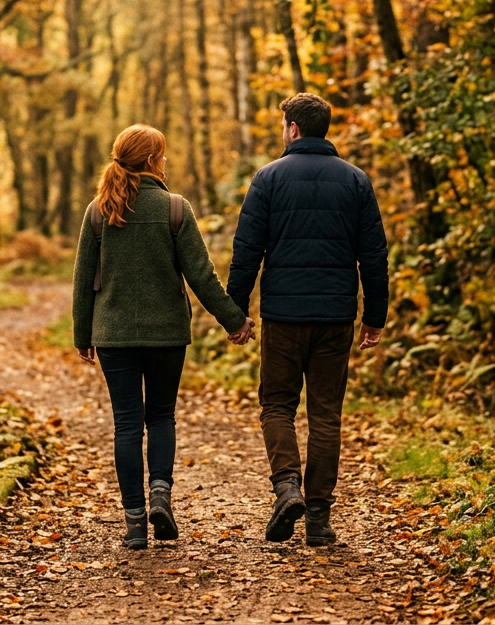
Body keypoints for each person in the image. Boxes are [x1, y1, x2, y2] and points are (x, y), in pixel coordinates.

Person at [73, 124, 255, 550]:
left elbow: (83, 280)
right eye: (164, 155)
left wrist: (83, 334)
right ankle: (160, 494)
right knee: (161, 417)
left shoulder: (98, 211)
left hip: (114, 334)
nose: (166, 162)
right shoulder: (175, 208)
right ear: (153, 160)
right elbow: (202, 276)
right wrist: (234, 320)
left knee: (126, 425)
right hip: (166, 334)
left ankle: (135, 521)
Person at [226, 93, 389, 547]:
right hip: (336, 316)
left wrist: (234, 312)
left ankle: (287, 489)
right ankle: (318, 517)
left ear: (293, 128)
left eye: (283, 125)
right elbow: (373, 255)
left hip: (282, 316)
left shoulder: (268, 178)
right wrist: (374, 316)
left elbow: (247, 252)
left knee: (277, 405)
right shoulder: (356, 181)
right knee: (325, 414)